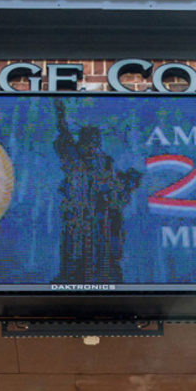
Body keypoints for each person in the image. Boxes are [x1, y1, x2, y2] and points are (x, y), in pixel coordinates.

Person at [53, 100, 141, 283]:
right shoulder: (74, 159)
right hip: (79, 220)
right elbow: (64, 136)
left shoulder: (106, 163)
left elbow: (119, 194)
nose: (91, 146)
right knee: (75, 255)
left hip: (103, 223)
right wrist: (59, 111)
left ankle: (104, 278)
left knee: (103, 257)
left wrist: (129, 181)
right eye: (87, 141)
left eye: (94, 142)